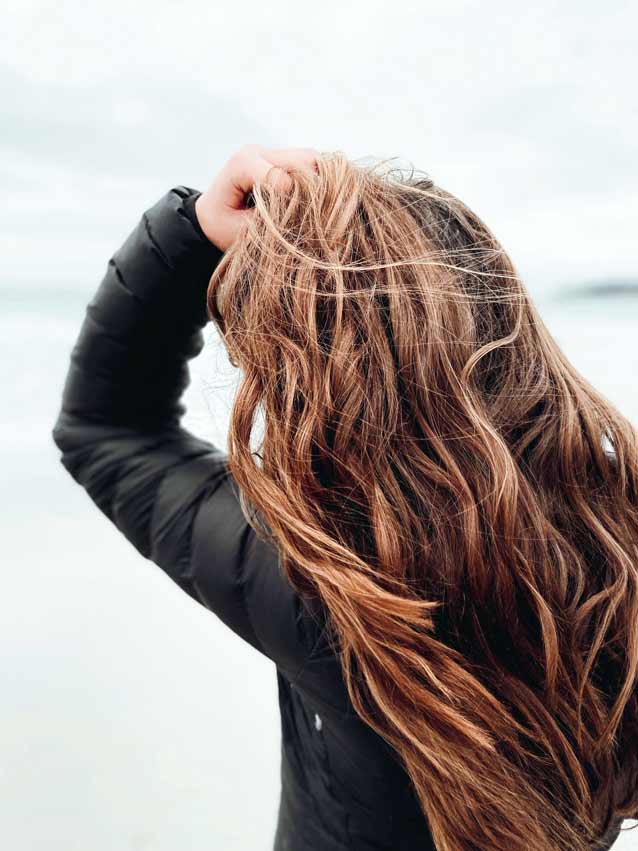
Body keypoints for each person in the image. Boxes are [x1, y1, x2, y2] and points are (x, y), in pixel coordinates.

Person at [52, 145, 637, 851]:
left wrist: (192, 233)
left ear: (309, 392)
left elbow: (104, 429)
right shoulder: (623, 545)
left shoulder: (325, 593)